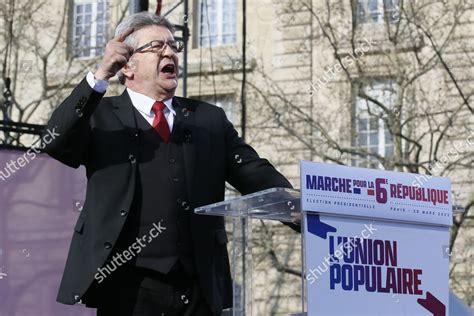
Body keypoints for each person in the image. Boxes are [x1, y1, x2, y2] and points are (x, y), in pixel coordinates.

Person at [43, 12, 299, 316]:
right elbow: (55, 140)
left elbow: (254, 172)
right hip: (128, 288)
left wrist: (302, 209)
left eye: (173, 46)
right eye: (156, 46)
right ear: (128, 65)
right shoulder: (102, 116)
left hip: (197, 288)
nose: (169, 52)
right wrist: (100, 76)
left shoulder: (208, 120)